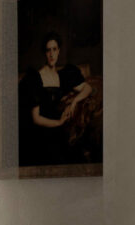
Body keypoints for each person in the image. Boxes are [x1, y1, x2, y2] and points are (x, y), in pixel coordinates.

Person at [19, 32, 92, 166]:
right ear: (44, 53)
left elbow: (88, 88)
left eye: (54, 49)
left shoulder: (63, 76)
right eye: (48, 50)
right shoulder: (36, 77)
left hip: (59, 130)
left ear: (58, 51)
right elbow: (36, 119)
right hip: (42, 132)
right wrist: (58, 122)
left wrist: (75, 101)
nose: (51, 54)